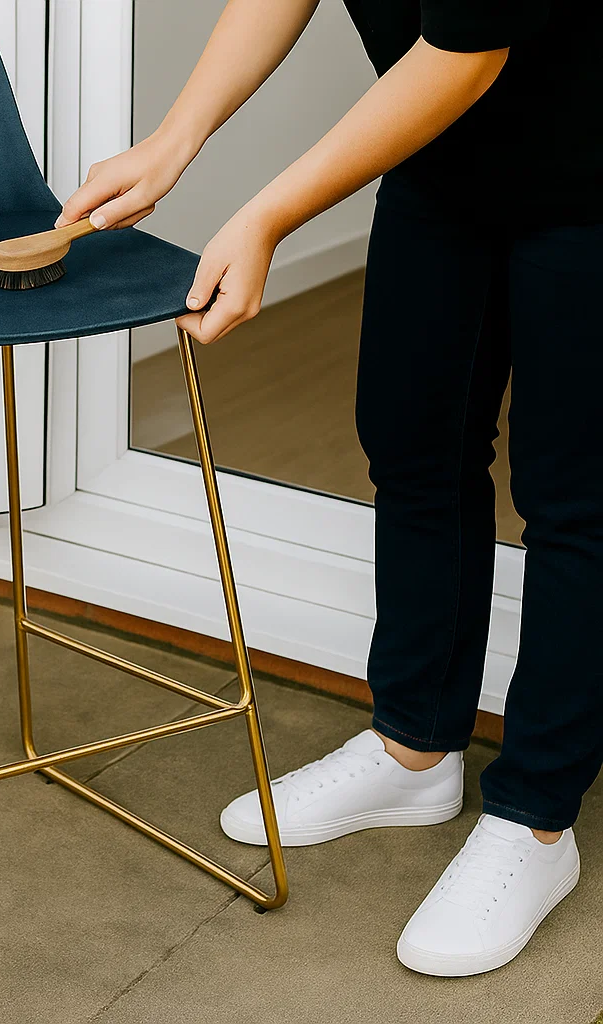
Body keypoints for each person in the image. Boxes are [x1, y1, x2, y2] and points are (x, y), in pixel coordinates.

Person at [54, 0, 601, 978]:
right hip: (442, 166)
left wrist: (265, 213)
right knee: (414, 445)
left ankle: (535, 819)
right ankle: (412, 752)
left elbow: (467, 54)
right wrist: (173, 139)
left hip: (591, 166)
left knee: (576, 502)